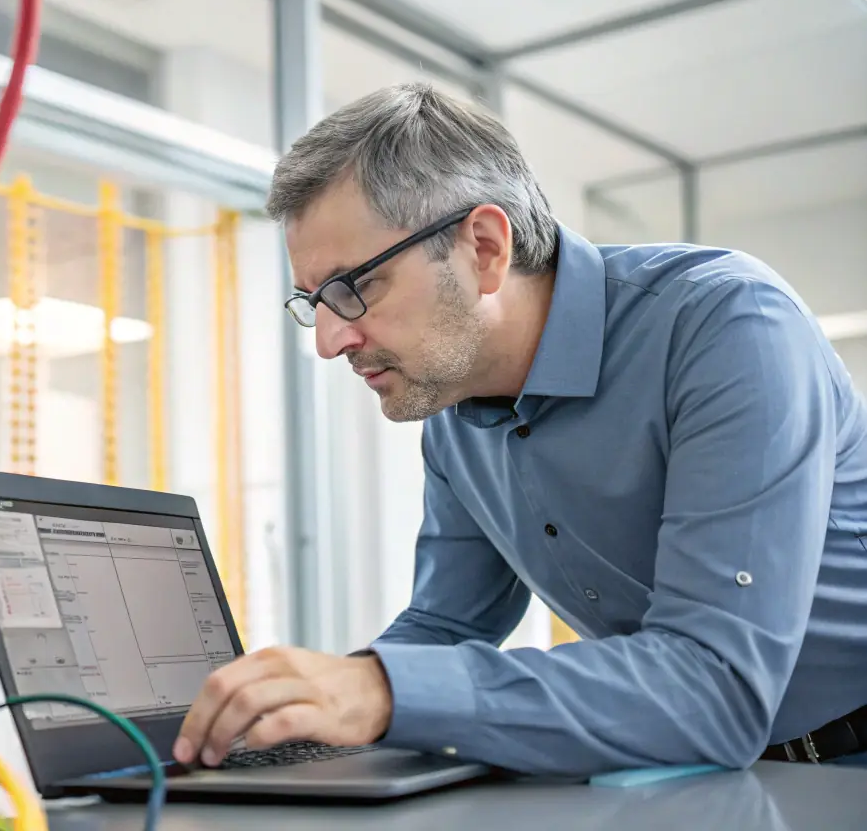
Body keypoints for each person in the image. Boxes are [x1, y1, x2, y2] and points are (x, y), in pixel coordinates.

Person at [172, 83, 867, 776]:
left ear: (483, 247)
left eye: (352, 286)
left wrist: (383, 692)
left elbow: (714, 686)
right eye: (313, 302)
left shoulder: (727, 324)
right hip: (697, 772)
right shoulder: (455, 415)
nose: (329, 341)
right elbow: (447, 626)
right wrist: (309, 709)